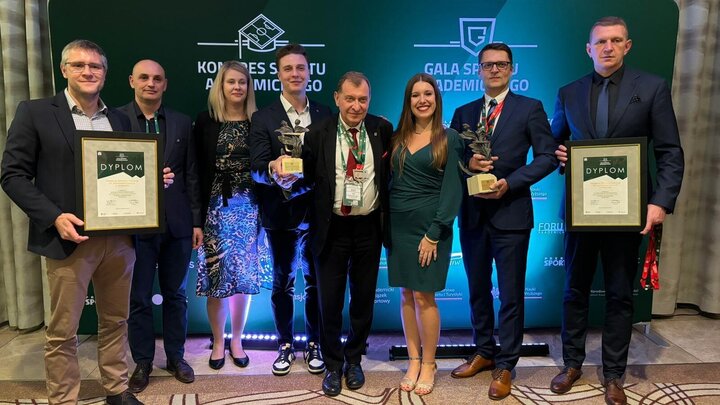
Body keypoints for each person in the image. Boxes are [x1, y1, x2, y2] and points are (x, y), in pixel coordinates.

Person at [0, 39, 172, 405]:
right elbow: (12, 175)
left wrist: (152, 181)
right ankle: (64, 398)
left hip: (120, 239)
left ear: (105, 74)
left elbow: (125, 173)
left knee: (116, 321)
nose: (87, 72)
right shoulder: (35, 112)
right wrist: (53, 217)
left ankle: (116, 389)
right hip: (69, 239)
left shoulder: (120, 118)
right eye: (78, 65)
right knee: (63, 331)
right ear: (64, 70)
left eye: (95, 67)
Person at [549, 17, 684, 405]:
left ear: (627, 46)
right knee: (574, 290)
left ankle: (613, 375)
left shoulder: (653, 88)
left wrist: (659, 202)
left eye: (615, 41)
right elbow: (556, 145)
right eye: (600, 42)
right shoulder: (569, 92)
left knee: (620, 295)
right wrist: (559, 157)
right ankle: (572, 364)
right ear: (588, 49)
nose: (607, 47)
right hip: (581, 212)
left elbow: (670, 152)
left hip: (628, 214)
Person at [449, 43, 557, 400]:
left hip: (511, 213)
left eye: (501, 64)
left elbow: (546, 158)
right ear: (478, 70)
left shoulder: (530, 108)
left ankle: (506, 364)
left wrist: (510, 183)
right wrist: (471, 167)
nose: (494, 70)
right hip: (474, 214)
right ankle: (483, 351)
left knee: (510, 294)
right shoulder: (463, 112)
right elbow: (452, 161)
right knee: (477, 288)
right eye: (487, 65)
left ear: (512, 69)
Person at [301, 72, 393, 397]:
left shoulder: (382, 130)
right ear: (337, 98)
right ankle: (332, 364)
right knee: (330, 301)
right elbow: (307, 182)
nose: (356, 106)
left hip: (369, 227)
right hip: (332, 229)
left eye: (363, 99)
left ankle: (354, 360)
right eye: (350, 99)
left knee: (364, 298)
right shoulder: (316, 134)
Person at [120, 59, 203, 392]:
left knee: (176, 295)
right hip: (133, 225)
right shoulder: (115, 120)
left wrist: (197, 221)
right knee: (138, 297)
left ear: (165, 84)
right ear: (131, 81)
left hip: (178, 225)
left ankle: (175, 357)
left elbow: (193, 175)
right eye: (143, 77)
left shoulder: (182, 123)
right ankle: (142, 361)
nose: (150, 83)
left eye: (157, 79)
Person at [249, 44, 331, 376]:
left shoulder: (326, 114)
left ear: (309, 73)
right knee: (282, 284)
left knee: (316, 283)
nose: (295, 74)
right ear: (278, 74)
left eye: (300, 68)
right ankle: (285, 343)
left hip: (318, 213)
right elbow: (254, 168)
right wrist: (272, 166)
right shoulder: (263, 117)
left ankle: (315, 343)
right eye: (288, 69)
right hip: (280, 214)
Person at [387, 73, 463, 396]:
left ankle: (430, 363)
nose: (422, 100)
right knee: (405, 293)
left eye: (428, 94)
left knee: (424, 296)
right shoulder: (396, 136)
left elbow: (452, 192)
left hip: (430, 229)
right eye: (416, 94)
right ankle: (413, 360)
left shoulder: (450, 138)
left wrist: (434, 233)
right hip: (397, 227)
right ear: (408, 100)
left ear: (436, 98)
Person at [194, 61, 271, 370]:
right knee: (217, 279)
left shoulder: (258, 122)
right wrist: (196, 219)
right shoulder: (206, 121)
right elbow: (196, 171)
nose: (237, 87)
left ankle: (237, 339)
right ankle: (217, 340)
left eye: (242, 82)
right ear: (220, 86)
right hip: (215, 211)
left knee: (243, 279)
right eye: (231, 82)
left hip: (250, 210)